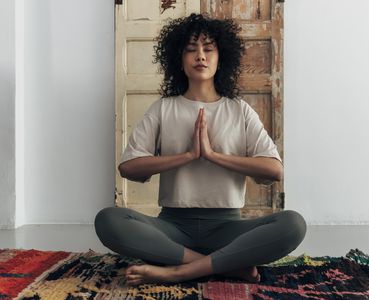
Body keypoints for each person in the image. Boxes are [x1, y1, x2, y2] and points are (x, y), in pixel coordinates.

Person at [95, 13, 306, 285]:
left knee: (293, 225)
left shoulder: (239, 110)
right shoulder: (164, 108)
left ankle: (179, 270)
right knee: (108, 220)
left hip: (228, 229)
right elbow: (129, 167)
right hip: (172, 228)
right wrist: (187, 156)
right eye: (191, 50)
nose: (200, 56)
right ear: (179, 61)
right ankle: (226, 265)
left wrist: (213, 156)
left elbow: (274, 170)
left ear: (221, 58)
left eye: (208, 49)